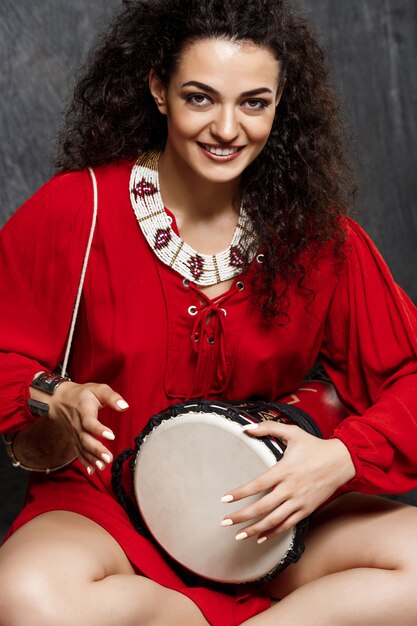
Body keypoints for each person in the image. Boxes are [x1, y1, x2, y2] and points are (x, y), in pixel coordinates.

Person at [1, 0, 417, 624]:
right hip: (106, 509)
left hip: (265, 519)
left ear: (280, 105)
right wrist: (50, 395)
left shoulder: (320, 239)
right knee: (25, 596)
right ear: (159, 89)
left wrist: (341, 458)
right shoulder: (77, 211)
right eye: (200, 97)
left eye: (254, 102)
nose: (227, 128)